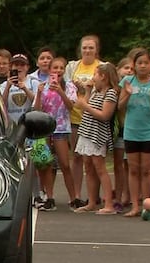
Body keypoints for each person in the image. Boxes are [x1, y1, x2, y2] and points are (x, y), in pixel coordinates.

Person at [118, 48, 150, 218]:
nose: (143, 66)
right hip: (131, 130)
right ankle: (134, 206)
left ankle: (147, 205)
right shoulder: (127, 81)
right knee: (133, 169)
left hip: (148, 131)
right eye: (139, 63)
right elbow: (120, 106)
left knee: (146, 169)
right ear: (134, 65)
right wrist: (127, 94)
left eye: (146, 63)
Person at [72, 62, 119, 215]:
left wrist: (85, 106)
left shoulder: (110, 93)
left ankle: (109, 204)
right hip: (86, 131)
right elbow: (84, 105)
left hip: (97, 133)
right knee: (88, 167)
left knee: (100, 167)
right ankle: (92, 202)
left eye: (95, 75)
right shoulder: (95, 92)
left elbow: (105, 115)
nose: (93, 78)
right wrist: (87, 91)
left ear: (103, 76)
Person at [34, 56, 78, 210]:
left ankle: (74, 197)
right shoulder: (43, 86)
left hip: (61, 128)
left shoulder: (69, 86)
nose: (58, 71)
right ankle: (49, 197)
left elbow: (70, 107)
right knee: (46, 164)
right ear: (50, 70)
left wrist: (60, 91)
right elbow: (37, 109)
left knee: (65, 164)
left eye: (61, 68)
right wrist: (39, 93)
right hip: (45, 129)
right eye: (55, 68)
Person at [65, 35, 103, 210]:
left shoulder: (102, 66)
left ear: (97, 50)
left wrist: (88, 86)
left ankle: (94, 196)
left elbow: (105, 89)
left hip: (94, 118)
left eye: (91, 47)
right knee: (77, 157)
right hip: (75, 116)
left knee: (94, 160)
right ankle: (77, 195)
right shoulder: (72, 67)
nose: (87, 51)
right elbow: (67, 87)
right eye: (85, 47)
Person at [113, 58, 134, 211]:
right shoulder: (115, 88)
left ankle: (129, 196)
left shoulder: (137, 86)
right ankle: (118, 198)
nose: (129, 71)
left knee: (130, 165)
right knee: (118, 165)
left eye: (132, 69)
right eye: (126, 68)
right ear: (118, 69)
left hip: (133, 130)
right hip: (119, 130)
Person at [0, 54, 40, 123]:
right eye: (16, 65)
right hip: (12, 123)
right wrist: (7, 88)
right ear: (11, 67)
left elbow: (37, 103)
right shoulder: (4, 85)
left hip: (30, 122)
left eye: (22, 65)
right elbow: (2, 106)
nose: (19, 67)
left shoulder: (34, 82)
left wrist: (25, 89)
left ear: (27, 67)